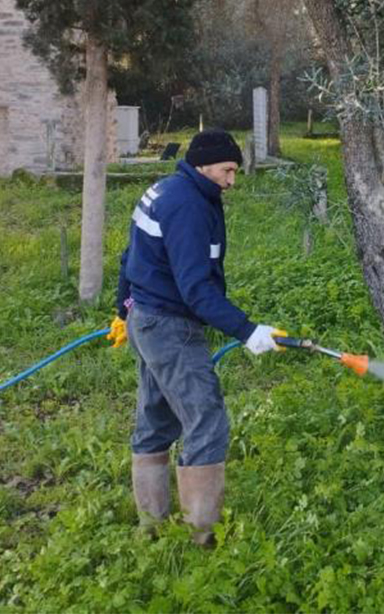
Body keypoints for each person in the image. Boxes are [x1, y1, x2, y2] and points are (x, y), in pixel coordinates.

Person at [107, 128, 284, 546]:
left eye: (235, 171)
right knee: (206, 421)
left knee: (156, 419)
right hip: (170, 327)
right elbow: (196, 289)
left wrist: (122, 310)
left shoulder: (167, 189)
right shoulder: (187, 206)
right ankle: (202, 536)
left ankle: (151, 524)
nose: (231, 180)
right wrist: (247, 331)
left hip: (146, 319)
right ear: (204, 165)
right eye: (227, 170)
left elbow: (129, 256)